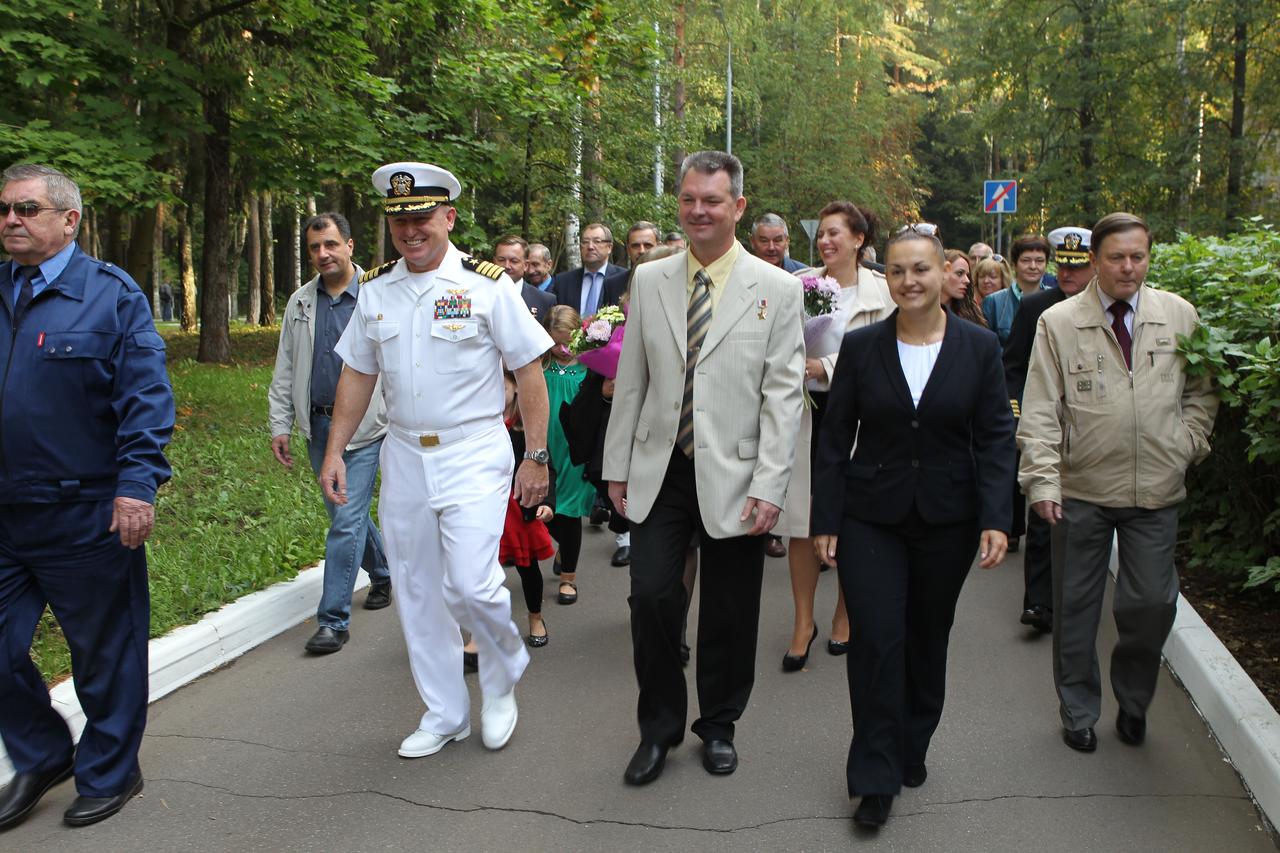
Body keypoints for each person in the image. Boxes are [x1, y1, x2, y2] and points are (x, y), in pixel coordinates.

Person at [319, 161, 553, 759]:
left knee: (473, 586)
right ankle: (445, 712)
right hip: (402, 454)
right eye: (399, 222)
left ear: (448, 217)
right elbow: (357, 373)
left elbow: (528, 369)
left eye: (422, 218)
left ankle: (500, 682)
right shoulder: (374, 289)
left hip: (473, 449)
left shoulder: (487, 285)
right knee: (419, 590)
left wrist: (537, 454)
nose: (410, 232)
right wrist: (336, 451)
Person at [603, 150, 805, 785]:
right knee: (653, 596)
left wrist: (772, 486)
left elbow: (784, 397)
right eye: (689, 199)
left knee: (729, 609)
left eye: (712, 201)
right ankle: (658, 728)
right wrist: (616, 467)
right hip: (660, 468)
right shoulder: (651, 279)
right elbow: (631, 380)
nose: (698, 211)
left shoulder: (778, 289)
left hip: (740, 475)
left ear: (737, 207)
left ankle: (718, 725)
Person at [811, 225, 1015, 830]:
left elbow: (997, 437)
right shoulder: (863, 345)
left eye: (921, 269)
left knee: (927, 637)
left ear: (944, 274)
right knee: (876, 638)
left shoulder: (978, 348)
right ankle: (874, 776)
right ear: (886, 276)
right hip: (871, 515)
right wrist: (827, 517)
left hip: (947, 520)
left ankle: (911, 741)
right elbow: (834, 436)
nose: (909, 281)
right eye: (897, 270)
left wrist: (997, 517)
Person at [0, 164, 174, 829]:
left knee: (103, 651)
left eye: (27, 208)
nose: (11, 220)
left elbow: (145, 399)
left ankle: (109, 768)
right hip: (5, 512)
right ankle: (43, 752)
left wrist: (136, 485)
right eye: (4, 209)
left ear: (68, 220)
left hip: (85, 508)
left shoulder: (110, 296)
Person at [1017, 212, 1218, 754]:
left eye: (1139, 256)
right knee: (1076, 608)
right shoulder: (1058, 322)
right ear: (1095, 262)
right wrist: (1043, 483)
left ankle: (1134, 700)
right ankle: (1078, 709)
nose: (1129, 268)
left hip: (1156, 490)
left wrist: (1188, 442)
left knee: (1150, 604)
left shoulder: (1178, 315)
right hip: (1080, 489)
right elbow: (1039, 409)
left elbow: (1202, 391)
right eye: (1117, 258)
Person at [268, 212, 392, 654]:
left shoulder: (378, 295)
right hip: (318, 425)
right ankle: (383, 572)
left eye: (331, 245)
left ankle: (333, 621)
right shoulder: (301, 301)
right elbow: (286, 365)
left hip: (368, 427)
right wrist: (280, 422)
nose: (323, 254)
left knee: (344, 519)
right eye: (315, 248)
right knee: (348, 515)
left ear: (350, 246)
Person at [778, 201, 893, 673]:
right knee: (801, 522)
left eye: (835, 234)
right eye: (822, 234)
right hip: (805, 414)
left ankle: (845, 613)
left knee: (848, 516)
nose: (826, 242)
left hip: (859, 417)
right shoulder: (797, 285)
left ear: (859, 240)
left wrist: (824, 365)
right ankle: (803, 622)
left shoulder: (884, 294)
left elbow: (885, 356)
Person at [1001, 226, 1094, 633]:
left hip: (1093, 432)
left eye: (1078, 267)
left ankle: (1076, 600)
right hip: (1047, 426)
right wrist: (1018, 414)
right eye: (1064, 266)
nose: (1069, 274)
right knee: (1043, 515)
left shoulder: (1106, 308)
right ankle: (1038, 604)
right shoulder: (1036, 306)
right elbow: (1013, 366)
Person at [541, 305, 596, 606]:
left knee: (570, 512)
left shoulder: (591, 367)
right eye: (554, 342)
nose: (562, 349)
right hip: (544, 450)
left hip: (576, 450)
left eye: (567, 342)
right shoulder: (539, 366)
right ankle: (563, 544)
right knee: (545, 510)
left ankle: (568, 579)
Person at [499, 372, 555, 647]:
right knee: (479, 572)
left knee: (527, 567)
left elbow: (548, 470)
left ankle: (535, 616)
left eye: (502, 386)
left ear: (517, 390)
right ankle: (481, 631)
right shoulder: (478, 428)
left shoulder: (524, 430)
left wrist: (546, 503)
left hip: (519, 509)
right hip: (488, 509)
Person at [981, 234, 1053, 347]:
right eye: (1026, 260)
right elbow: (985, 348)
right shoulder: (993, 301)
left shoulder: (1055, 300)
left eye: (1039, 261)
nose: (1033, 266)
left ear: (1046, 264)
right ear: (1014, 264)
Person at [551, 223, 627, 314]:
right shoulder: (563, 281)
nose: (590, 247)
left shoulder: (624, 279)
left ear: (609, 247)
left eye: (597, 241)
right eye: (585, 242)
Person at [494, 235, 554, 325]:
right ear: (494, 261)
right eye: (501, 260)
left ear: (526, 265)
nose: (507, 266)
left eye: (514, 261)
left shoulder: (545, 300)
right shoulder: (480, 294)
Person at [941, 249, 985, 327]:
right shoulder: (918, 311)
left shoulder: (971, 312)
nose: (967, 280)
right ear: (943, 272)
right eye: (959, 273)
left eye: (967, 275)